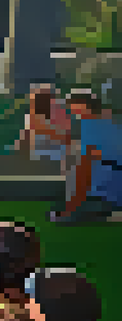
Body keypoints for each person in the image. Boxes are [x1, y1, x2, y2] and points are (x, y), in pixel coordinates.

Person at [52, 90, 122, 224]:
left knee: (66, 216)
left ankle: (107, 214)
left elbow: (85, 167)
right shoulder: (106, 122)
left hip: (108, 191)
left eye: (74, 106)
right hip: (105, 187)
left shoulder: (91, 125)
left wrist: (72, 206)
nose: (71, 110)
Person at [20, 85, 70, 164]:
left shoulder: (58, 111)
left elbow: (65, 135)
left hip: (55, 153)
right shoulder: (31, 116)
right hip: (44, 153)